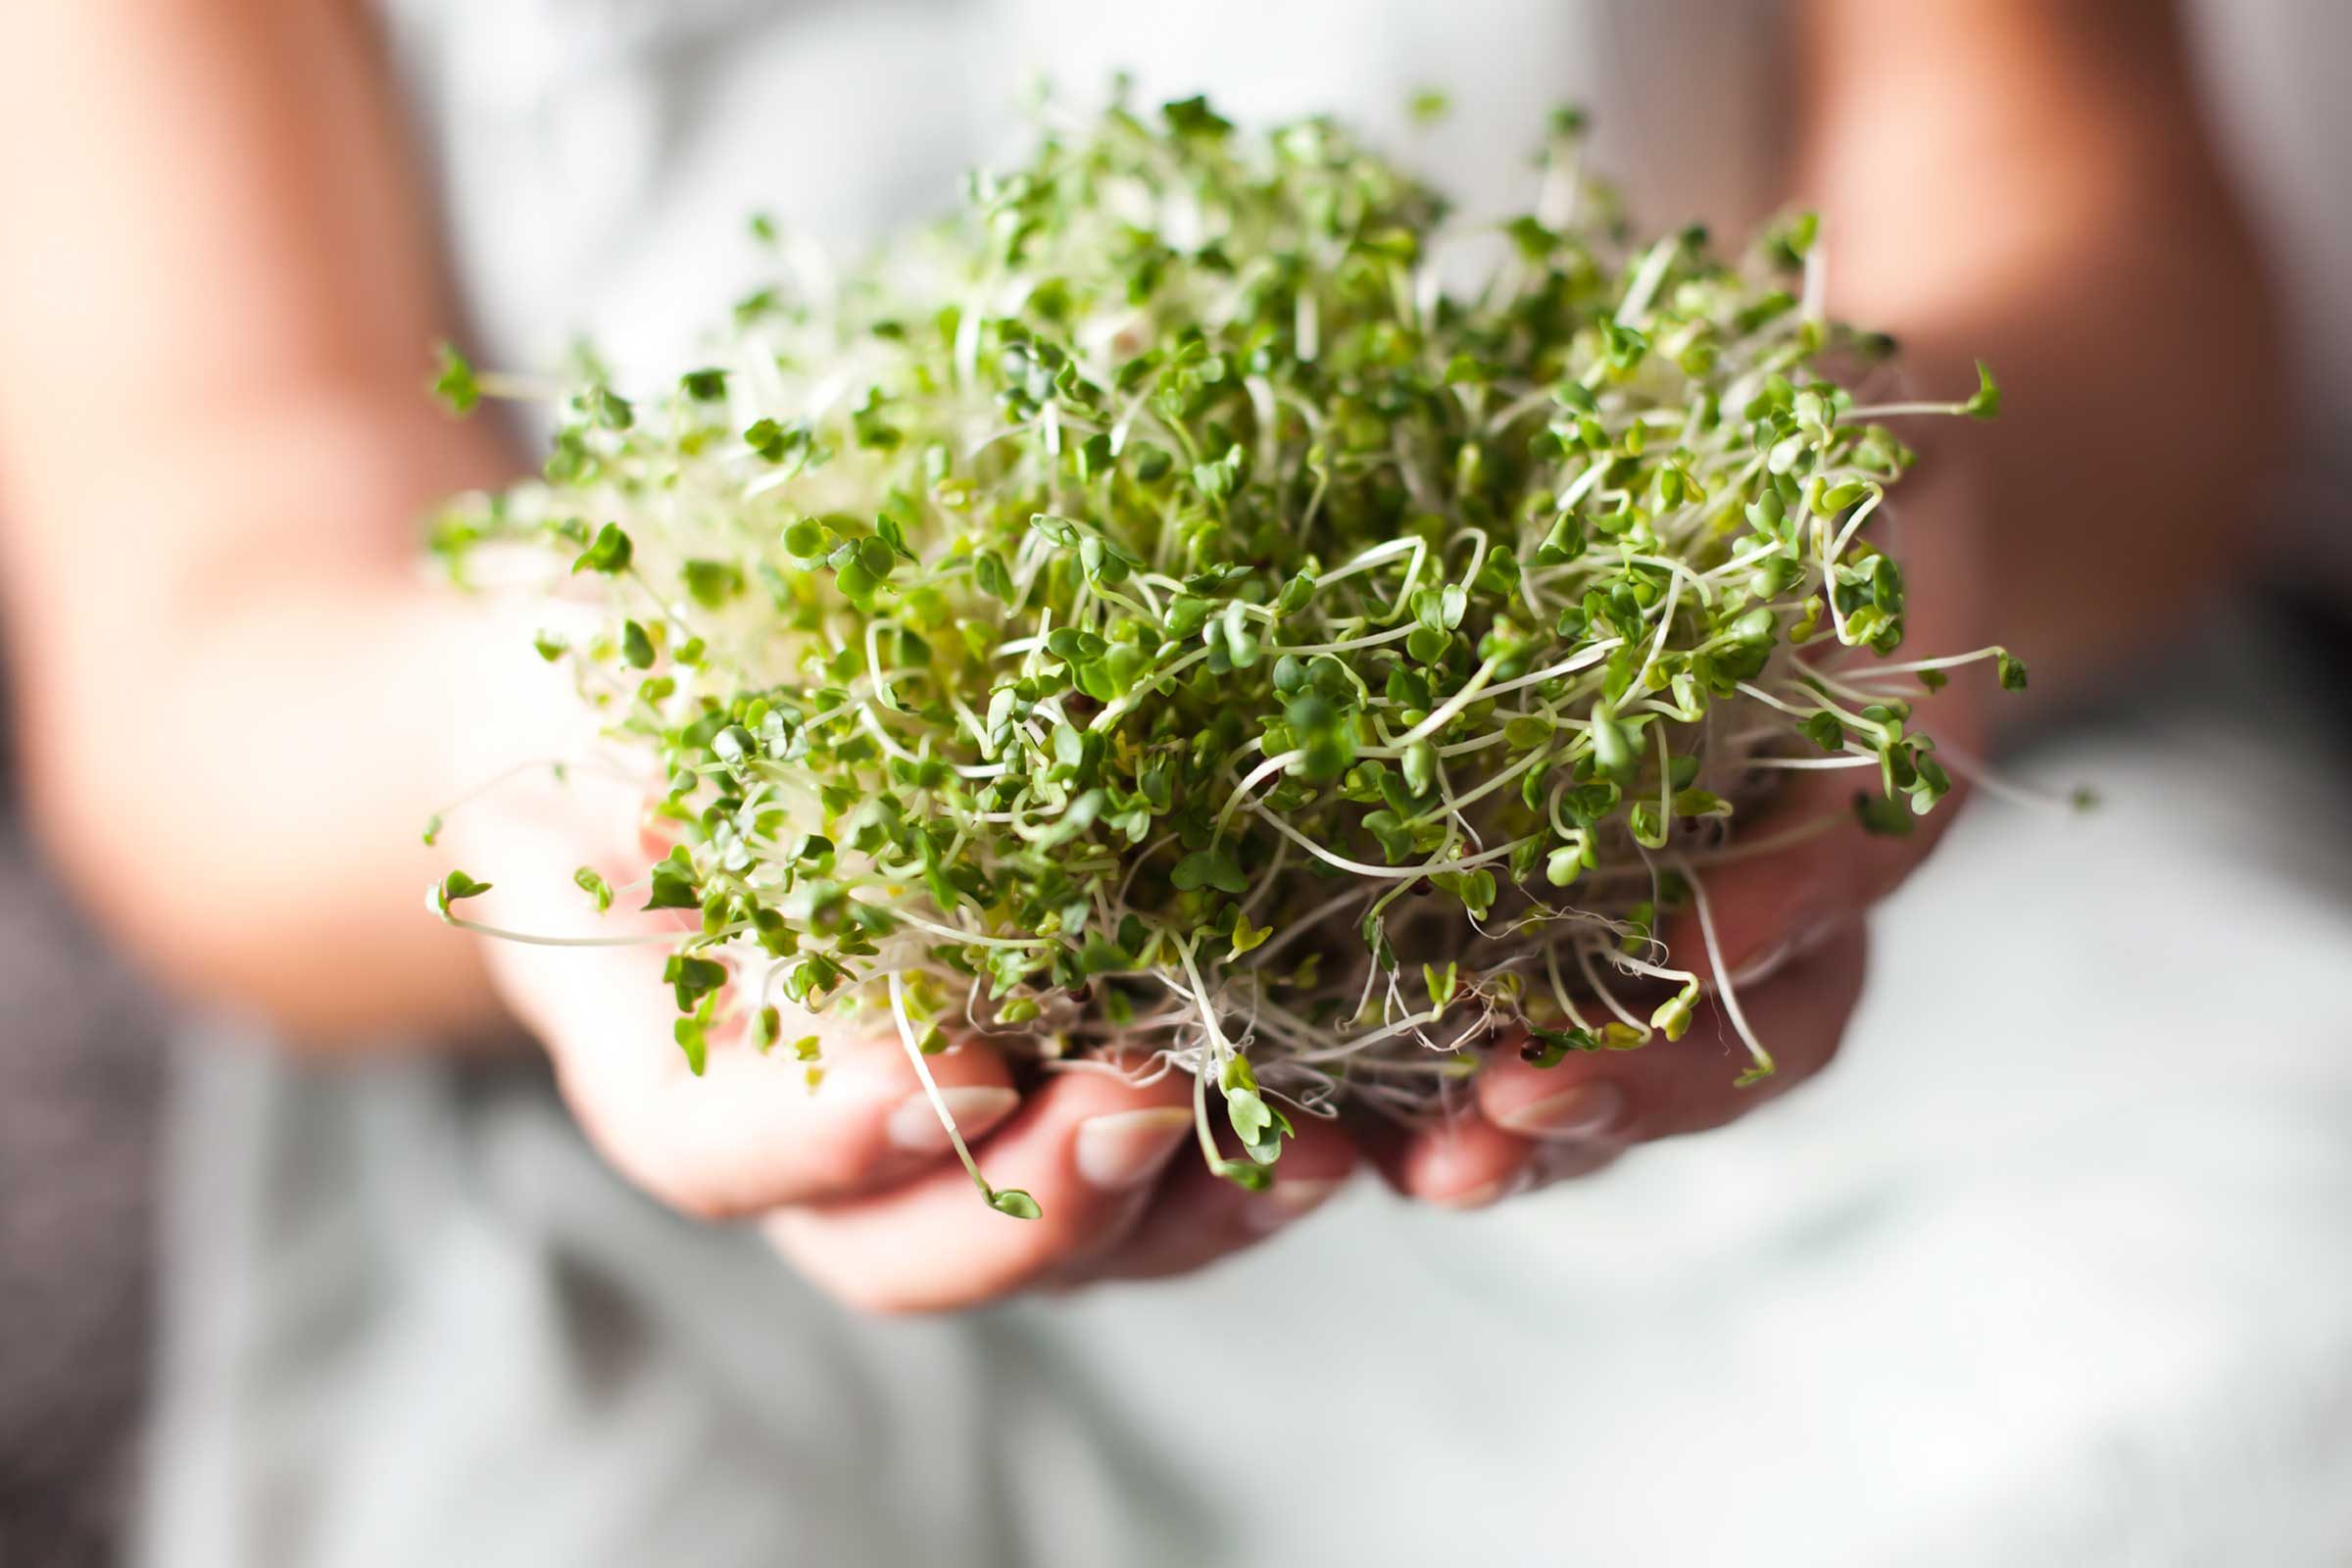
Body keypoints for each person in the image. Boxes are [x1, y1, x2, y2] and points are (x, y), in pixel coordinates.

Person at [0, 2, 2304, 1563]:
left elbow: (2132, 308)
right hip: (669, 1106)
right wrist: (523, 729)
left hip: (1893, 932)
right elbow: (209, 632)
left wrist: (1863, 504)